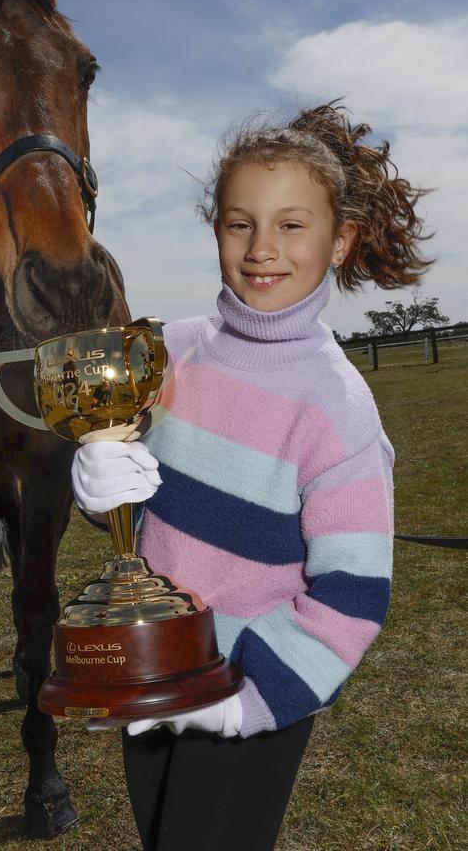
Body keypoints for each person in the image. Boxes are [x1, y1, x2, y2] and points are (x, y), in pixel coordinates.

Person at [70, 102, 432, 851]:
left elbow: (353, 593)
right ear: (216, 231)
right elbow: (139, 514)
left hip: (250, 694)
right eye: (241, 223)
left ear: (341, 241)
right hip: (150, 671)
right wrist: (95, 481)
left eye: (292, 225)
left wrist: (245, 705)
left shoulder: (339, 410)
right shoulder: (164, 352)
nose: (263, 248)